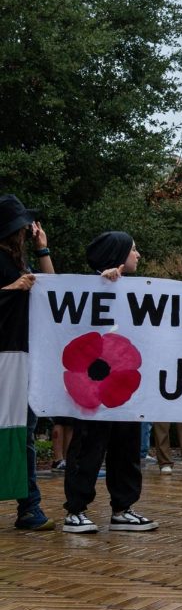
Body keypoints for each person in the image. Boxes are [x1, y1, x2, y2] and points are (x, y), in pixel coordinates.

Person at [62, 232, 158, 534]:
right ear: (117, 255)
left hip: (125, 387)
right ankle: (75, 510)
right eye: (133, 249)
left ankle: (123, 508)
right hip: (93, 387)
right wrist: (101, 284)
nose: (138, 255)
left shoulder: (137, 290)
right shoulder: (88, 289)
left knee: (127, 445)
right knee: (89, 445)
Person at [0, 195, 56, 530]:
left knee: (24, 432)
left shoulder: (22, 260)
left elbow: (54, 289)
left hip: (22, 358)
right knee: (19, 432)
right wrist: (12, 287)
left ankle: (29, 505)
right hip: (5, 358)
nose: (26, 230)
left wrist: (43, 249)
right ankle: (29, 505)